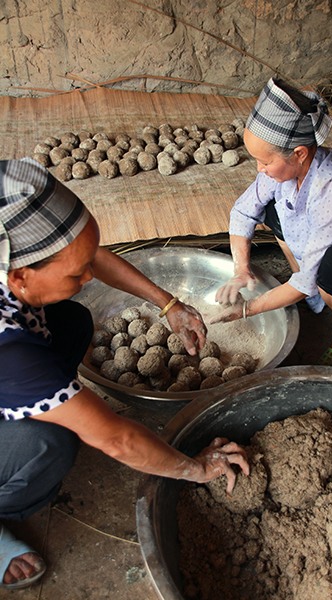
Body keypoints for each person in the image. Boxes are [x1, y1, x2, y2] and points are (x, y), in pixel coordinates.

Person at [0, 158, 249, 590]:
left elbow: (90, 254)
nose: (90, 275)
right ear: (19, 276)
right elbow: (116, 437)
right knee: (50, 444)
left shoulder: (12, 234)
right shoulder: (6, 348)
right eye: (77, 273)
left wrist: (168, 304)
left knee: (73, 319)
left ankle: (52, 400)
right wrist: (196, 468)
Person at [210, 77, 332, 368]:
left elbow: (311, 278)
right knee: (273, 208)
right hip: (320, 270)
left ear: (299, 153)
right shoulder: (286, 172)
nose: (259, 169)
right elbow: (242, 212)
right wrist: (241, 269)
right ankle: (310, 292)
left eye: (265, 161)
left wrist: (247, 309)